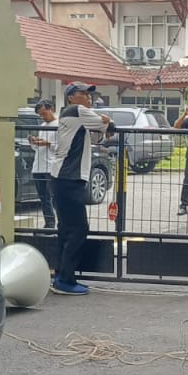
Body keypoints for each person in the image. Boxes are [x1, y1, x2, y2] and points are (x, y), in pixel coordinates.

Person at [49, 82, 111, 296]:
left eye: (89, 95)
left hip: (63, 178)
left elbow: (98, 134)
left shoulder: (73, 115)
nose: (88, 98)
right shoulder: (76, 111)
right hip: (69, 178)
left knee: (66, 229)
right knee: (78, 229)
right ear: (71, 97)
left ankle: (60, 276)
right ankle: (65, 280)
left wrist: (103, 123)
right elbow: (106, 127)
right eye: (83, 94)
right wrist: (106, 121)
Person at [27, 99, 58, 229]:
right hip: (38, 166)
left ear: (51, 109)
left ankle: (55, 223)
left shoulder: (59, 125)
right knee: (43, 198)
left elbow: (60, 147)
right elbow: (38, 148)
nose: (42, 117)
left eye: (44, 113)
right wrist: (33, 142)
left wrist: (47, 143)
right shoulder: (42, 126)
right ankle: (49, 223)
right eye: (40, 114)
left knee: (53, 197)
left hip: (51, 166)